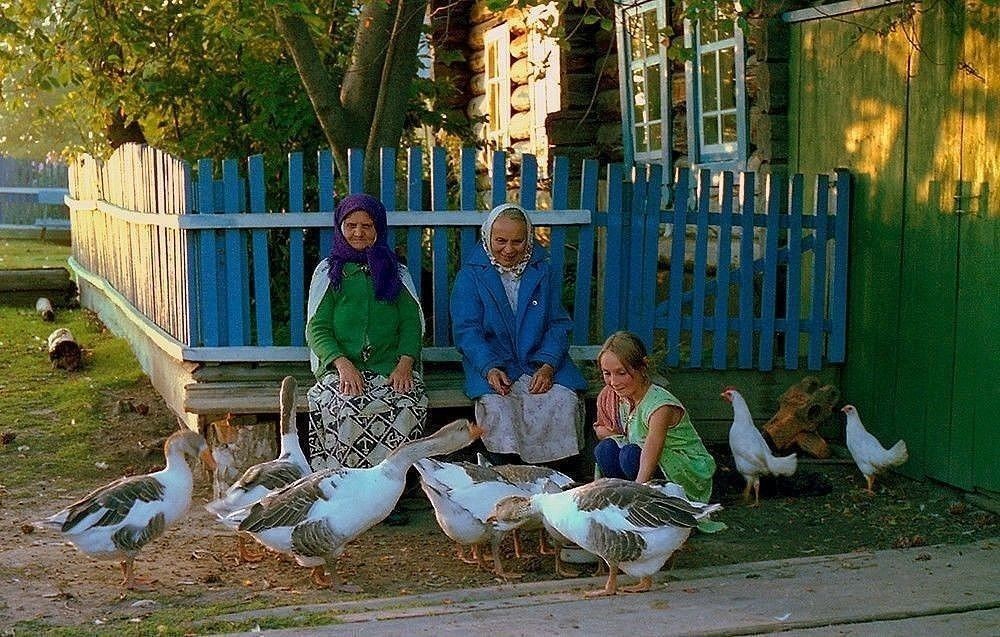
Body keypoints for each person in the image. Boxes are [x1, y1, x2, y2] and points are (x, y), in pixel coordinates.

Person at [451, 203, 587, 466]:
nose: (509, 249)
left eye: (518, 241)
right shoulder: (470, 276)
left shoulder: (542, 271)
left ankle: (556, 473)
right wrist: (490, 368)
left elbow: (558, 324)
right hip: (494, 366)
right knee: (498, 407)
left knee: (563, 400)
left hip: (539, 363)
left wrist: (547, 366)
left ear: (529, 238)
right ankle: (508, 471)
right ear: (488, 236)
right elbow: (467, 331)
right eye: (500, 240)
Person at [305, 193, 428, 485]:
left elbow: (412, 323)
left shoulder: (396, 272)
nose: (358, 232)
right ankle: (346, 487)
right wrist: (343, 365)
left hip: (391, 367)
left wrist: (405, 363)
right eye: (351, 225)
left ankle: (390, 490)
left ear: (378, 229)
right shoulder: (330, 272)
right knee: (345, 406)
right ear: (340, 227)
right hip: (342, 369)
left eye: (367, 226)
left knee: (408, 402)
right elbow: (317, 329)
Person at [593, 331, 716, 502]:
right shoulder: (614, 396)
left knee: (629, 455)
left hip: (682, 468)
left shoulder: (659, 405)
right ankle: (620, 503)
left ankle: (648, 504)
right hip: (643, 455)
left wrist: (637, 491)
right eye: (607, 373)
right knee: (605, 450)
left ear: (643, 367)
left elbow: (652, 449)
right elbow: (603, 430)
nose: (613, 382)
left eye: (621, 373)